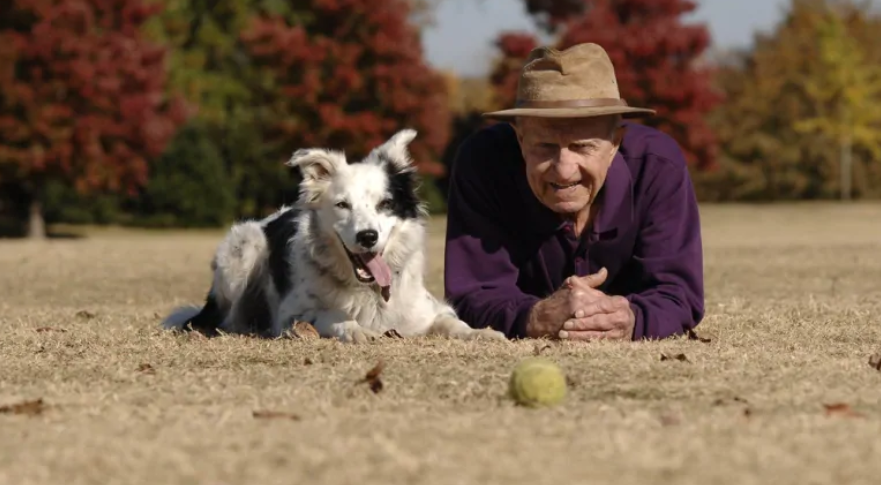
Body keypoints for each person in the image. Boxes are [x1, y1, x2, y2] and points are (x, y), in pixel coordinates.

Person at [443, 42, 704, 341]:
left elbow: (678, 295)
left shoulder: (659, 166)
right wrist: (535, 317)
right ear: (520, 137)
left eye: (582, 147)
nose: (564, 169)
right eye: (545, 147)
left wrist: (630, 318)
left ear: (615, 142)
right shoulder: (482, 163)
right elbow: (472, 295)